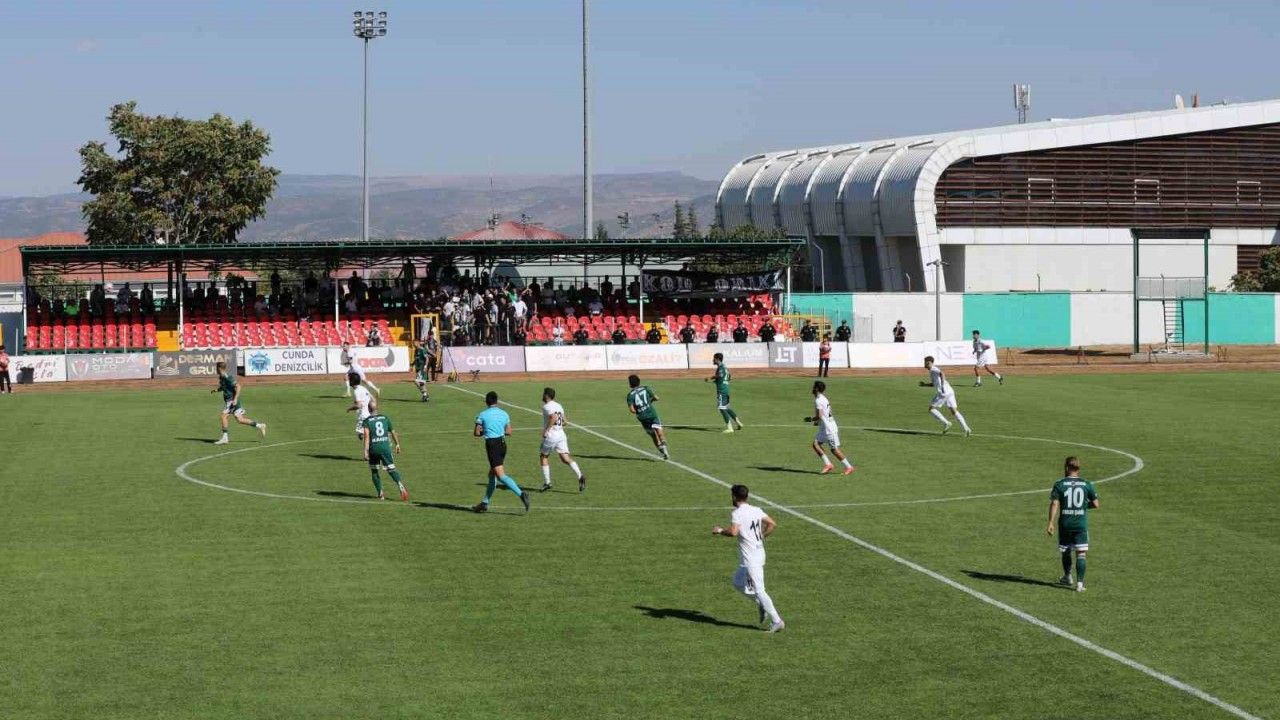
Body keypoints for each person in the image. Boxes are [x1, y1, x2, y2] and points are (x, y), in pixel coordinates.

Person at [711, 484, 785, 633]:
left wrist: (720, 531)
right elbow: (772, 524)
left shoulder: (737, 513)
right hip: (757, 554)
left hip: (751, 558)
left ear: (734, 497)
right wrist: (762, 536)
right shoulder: (756, 510)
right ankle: (761, 604)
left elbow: (733, 532)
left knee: (760, 590)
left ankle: (777, 621)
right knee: (738, 582)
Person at [1046, 456, 1099, 592]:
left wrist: (1051, 522)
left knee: (1066, 550)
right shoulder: (1086, 484)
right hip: (1080, 524)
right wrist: (1082, 506)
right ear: (1078, 468)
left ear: (1066, 467)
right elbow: (1096, 504)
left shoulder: (1060, 484)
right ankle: (1080, 584)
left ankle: (1068, 576)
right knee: (1081, 553)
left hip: (1065, 524)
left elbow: (1055, 503)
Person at [473, 391, 530, 513]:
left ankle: (521, 494)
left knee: (500, 475)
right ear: (497, 401)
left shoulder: (482, 415)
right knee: (492, 474)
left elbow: (477, 433)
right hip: (502, 445)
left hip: (492, 446)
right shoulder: (504, 413)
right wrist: (499, 430)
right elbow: (509, 431)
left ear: (487, 402)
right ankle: (484, 503)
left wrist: (485, 431)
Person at [539, 387, 586, 493]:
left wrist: (546, 430)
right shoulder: (558, 405)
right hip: (561, 434)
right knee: (565, 458)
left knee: (543, 456)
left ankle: (547, 482)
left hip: (552, 435)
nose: (542, 395)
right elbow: (565, 421)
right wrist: (559, 424)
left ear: (547, 395)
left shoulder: (546, 406)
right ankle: (580, 476)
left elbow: (554, 417)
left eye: (544, 394)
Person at [362, 400, 409, 501]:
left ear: (368, 409)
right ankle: (400, 484)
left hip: (374, 449)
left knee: (374, 471)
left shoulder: (366, 421)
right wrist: (397, 444)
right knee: (391, 469)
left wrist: (365, 451)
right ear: (377, 408)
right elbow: (393, 432)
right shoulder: (385, 418)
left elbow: (366, 436)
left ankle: (380, 493)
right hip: (385, 448)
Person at [805, 381, 854, 475]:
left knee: (834, 449)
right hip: (825, 428)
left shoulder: (818, 400)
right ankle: (828, 464)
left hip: (829, 429)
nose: (812, 388)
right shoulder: (823, 398)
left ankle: (849, 467)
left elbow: (819, 416)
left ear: (817, 389)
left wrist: (811, 419)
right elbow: (825, 414)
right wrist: (818, 422)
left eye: (814, 387)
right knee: (816, 444)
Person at [211, 361, 267, 445]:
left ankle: (225, 438)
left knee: (223, 416)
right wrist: (216, 390)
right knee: (240, 420)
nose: (215, 369)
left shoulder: (228, 377)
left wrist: (235, 399)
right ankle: (260, 425)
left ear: (219, 368)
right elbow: (224, 387)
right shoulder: (221, 377)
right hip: (231, 401)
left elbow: (238, 386)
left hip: (232, 401)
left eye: (216, 368)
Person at [921, 355, 972, 436]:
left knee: (931, 409)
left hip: (943, 392)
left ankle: (946, 423)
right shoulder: (932, 371)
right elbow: (934, 383)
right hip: (950, 391)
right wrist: (925, 385)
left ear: (929, 362)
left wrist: (942, 386)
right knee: (954, 411)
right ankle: (966, 428)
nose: (924, 364)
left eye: (925, 362)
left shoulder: (933, 369)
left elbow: (942, 373)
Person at [627, 374, 669, 460]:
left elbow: (632, 410)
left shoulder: (630, 395)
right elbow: (656, 398)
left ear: (630, 384)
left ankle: (662, 452)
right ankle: (664, 445)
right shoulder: (646, 388)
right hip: (652, 413)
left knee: (653, 435)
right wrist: (649, 402)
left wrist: (639, 409)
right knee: (659, 431)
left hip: (643, 417)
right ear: (639, 382)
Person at [706, 352, 744, 433]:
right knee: (727, 408)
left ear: (717, 359)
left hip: (722, 391)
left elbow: (720, 376)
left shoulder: (721, 368)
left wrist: (711, 377)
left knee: (722, 408)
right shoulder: (725, 368)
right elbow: (729, 377)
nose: (713, 360)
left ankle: (730, 428)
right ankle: (738, 423)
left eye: (714, 358)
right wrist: (714, 381)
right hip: (726, 390)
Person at [346, 371, 374, 443]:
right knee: (368, 433)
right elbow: (372, 399)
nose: (348, 381)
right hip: (369, 415)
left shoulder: (356, 391)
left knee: (361, 435)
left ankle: (370, 446)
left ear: (352, 381)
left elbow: (359, 405)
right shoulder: (363, 388)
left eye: (349, 380)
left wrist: (350, 409)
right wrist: (372, 411)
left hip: (362, 416)